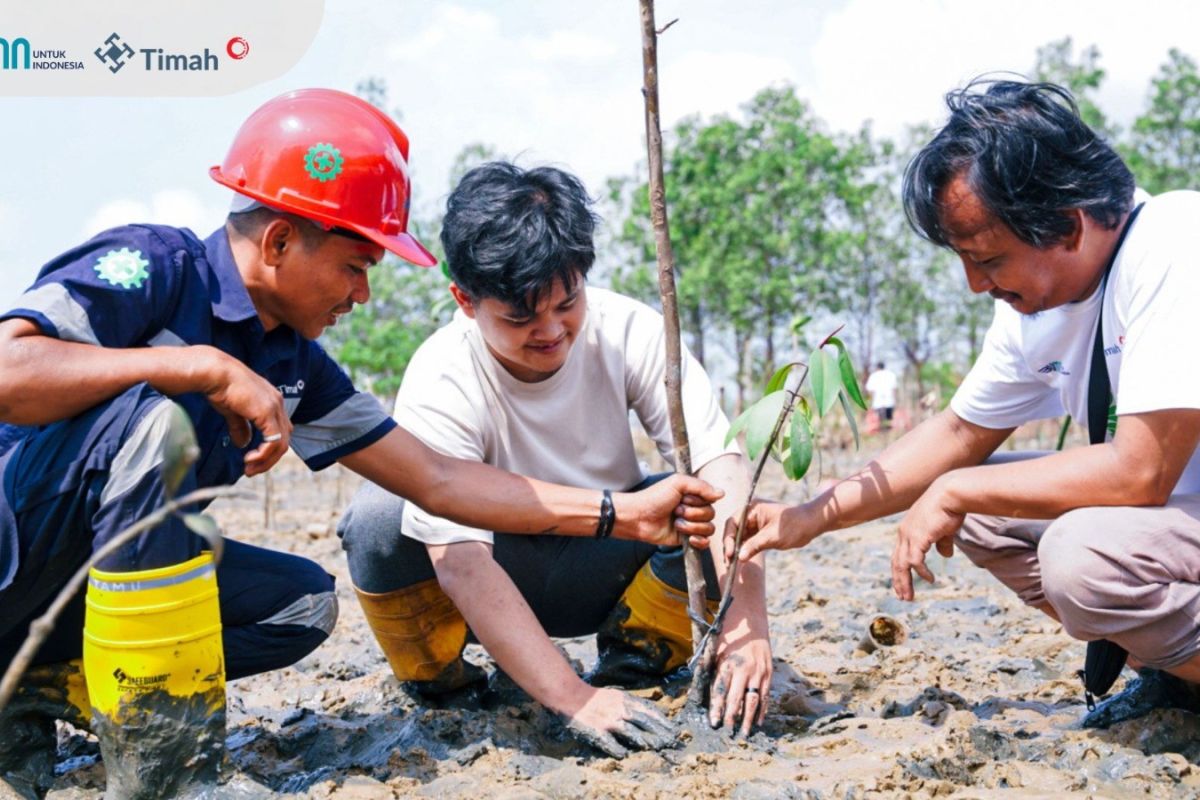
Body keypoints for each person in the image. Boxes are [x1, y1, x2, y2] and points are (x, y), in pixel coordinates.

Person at [0, 90, 720, 798]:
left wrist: (616, 514)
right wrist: (199, 366)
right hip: (15, 546)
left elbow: (438, 481)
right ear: (280, 241)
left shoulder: (295, 365)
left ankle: (26, 689)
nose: (363, 294)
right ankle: (169, 776)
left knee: (300, 606)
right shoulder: (152, 268)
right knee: (162, 424)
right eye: (355, 266)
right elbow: (9, 368)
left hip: (79, 597)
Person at [729, 79, 1200, 728]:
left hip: (1167, 507)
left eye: (988, 259)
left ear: (1066, 225)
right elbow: (956, 435)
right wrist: (811, 516)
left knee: (1078, 554)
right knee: (986, 511)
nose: (976, 284)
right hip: (1180, 521)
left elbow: (1140, 474)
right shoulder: (1037, 310)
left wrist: (956, 490)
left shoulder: (1175, 242)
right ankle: (1176, 675)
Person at [338, 162, 772, 756]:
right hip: (491, 573)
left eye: (567, 304)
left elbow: (723, 466)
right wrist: (573, 698)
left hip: (609, 567)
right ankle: (445, 687)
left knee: (699, 499)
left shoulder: (633, 331)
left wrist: (748, 626)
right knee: (381, 515)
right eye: (520, 317)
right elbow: (460, 561)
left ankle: (635, 662)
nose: (550, 331)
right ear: (465, 299)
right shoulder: (440, 375)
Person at [865, 362, 899, 431]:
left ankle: (883, 434)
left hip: (878, 402)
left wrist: (869, 400)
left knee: (880, 421)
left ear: (877, 367)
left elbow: (869, 390)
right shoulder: (891, 374)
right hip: (889, 401)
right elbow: (894, 389)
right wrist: (895, 400)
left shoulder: (873, 376)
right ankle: (889, 434)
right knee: (889, 420)